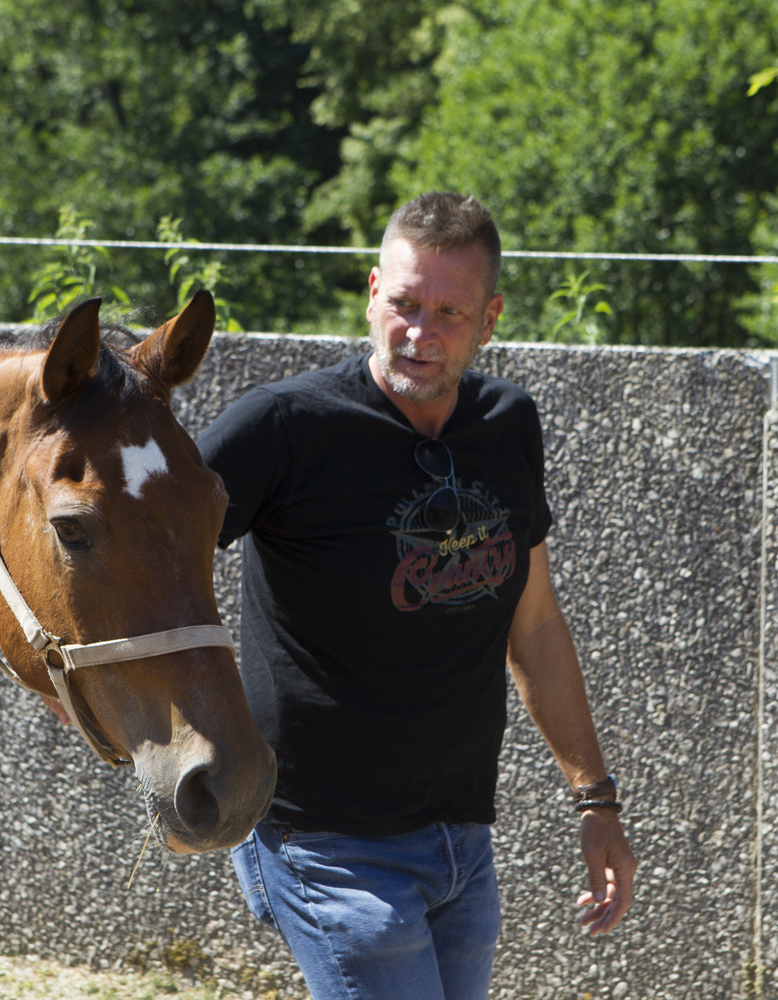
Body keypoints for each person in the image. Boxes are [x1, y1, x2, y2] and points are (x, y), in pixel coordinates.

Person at [192, 191, 636, 1000]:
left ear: (490, 319)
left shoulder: (507, 424)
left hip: (461, 839)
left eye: (449, 313)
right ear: (371, 294)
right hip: (320, 839)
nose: (418, 334)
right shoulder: (284, 428)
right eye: (402, 303)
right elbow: (139, 554)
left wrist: (595, 802)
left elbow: (534, 624)